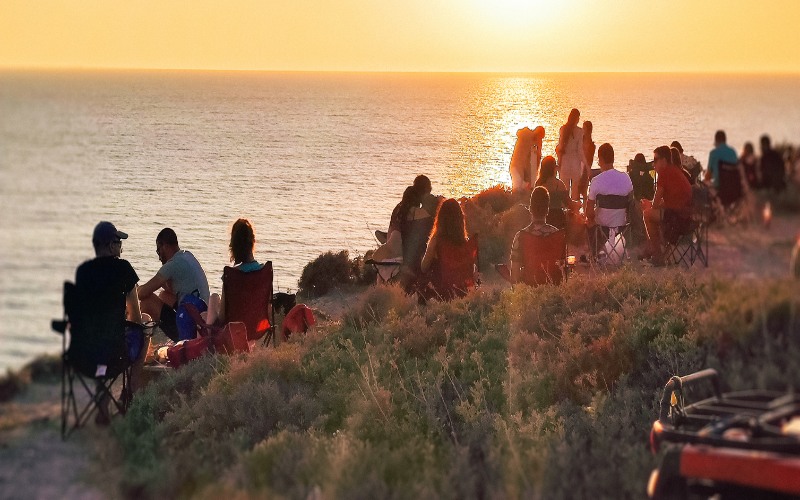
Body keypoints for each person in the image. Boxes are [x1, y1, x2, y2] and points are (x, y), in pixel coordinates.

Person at [74, 221, 147, 424]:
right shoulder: (123, 269)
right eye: (118, 242)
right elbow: (136, 316)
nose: (121, 248)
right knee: (145, 325)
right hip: (116, 355)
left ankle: (103, 400)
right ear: (109, 245)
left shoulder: (84, 272)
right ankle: (132, 388)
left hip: (85, 356)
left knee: (101, 345)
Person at [138, 228, 210, 342]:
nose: (158, 256)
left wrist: (134, 288)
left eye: (158, 251)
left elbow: (142, 294)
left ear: (164, 246)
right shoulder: (187, 256)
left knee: (148, 301)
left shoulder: (172, 265)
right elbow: (174, 290)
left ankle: (141, 342)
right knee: (163, 295)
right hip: (203, 317)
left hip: (190, 326)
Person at [206, 219, 264, 325]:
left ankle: (208, 339)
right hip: (256, 328)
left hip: (233, 332)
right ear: (253, 242)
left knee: (214, 298)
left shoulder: (231, 275)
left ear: (233, 246)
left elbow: (222, 317)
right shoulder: (263, 271)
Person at [641, 146, 693, 265]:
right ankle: (655, 250)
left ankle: (657, 256)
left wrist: (650, 205)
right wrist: (652, 204)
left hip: (679, 219)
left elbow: (655, 204)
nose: (653, 164)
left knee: (647, 214)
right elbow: (671, 201)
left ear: (664, 160)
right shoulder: (675, 171)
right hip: (688, 218)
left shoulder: (664, 173)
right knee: (652, 213)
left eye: (655, 160)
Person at [420, 199, 477, 300]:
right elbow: (471, 270)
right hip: (462, 292)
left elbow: (424, 267)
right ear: (460, 219)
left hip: (441, 293)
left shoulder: (437, 240)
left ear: (441, 219)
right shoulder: (465, 243)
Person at [586, 143, 634, 257]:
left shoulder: (596, 181)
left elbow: (589, 212)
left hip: (602, 227)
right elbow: (631, 204)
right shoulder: (626, 178)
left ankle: (595, 252)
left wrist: (591, 217)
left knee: (589, 221)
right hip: (622, 226)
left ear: (601, 159)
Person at [509, 186, 561, 284]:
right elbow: (563, 270)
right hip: (553, 292)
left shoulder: (520, 237)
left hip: (529, 292)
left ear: (530, 209)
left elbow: (514, 276)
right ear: (547, 210)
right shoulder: (557, 235)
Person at [535, 155, 578, 229]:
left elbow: (535, 203)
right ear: (553, 169)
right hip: (558, 219)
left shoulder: (538, 183)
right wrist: (578, 204)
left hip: (543, 218)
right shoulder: (559, 184)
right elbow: (568, 203)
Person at [556, 108, 584, 200]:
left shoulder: (563, 129)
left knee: (565, 191)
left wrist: (559, 163)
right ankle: (574, 212)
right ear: (577, 118)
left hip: (565, 162)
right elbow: (580, 150)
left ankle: (566, 212)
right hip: (575, 163)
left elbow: (560, 148)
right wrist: (586, 165)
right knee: (575, 193)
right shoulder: (580, 131)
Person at [509, 127, 535, 193]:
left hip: (515, 169)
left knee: (517, 189)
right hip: (518, 170)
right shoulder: (525, 146)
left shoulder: (520, 145)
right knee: (518, 190)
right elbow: (525, 164)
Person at [579, 120, 596, 202]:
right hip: (578, 166)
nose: (582, 130)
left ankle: (585, 211)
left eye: (584, 128)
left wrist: (588, 168)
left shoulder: (592, 145)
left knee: (584, 191)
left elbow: (590, 160)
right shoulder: (579, 141)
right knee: (577, 189)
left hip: (586, 168)